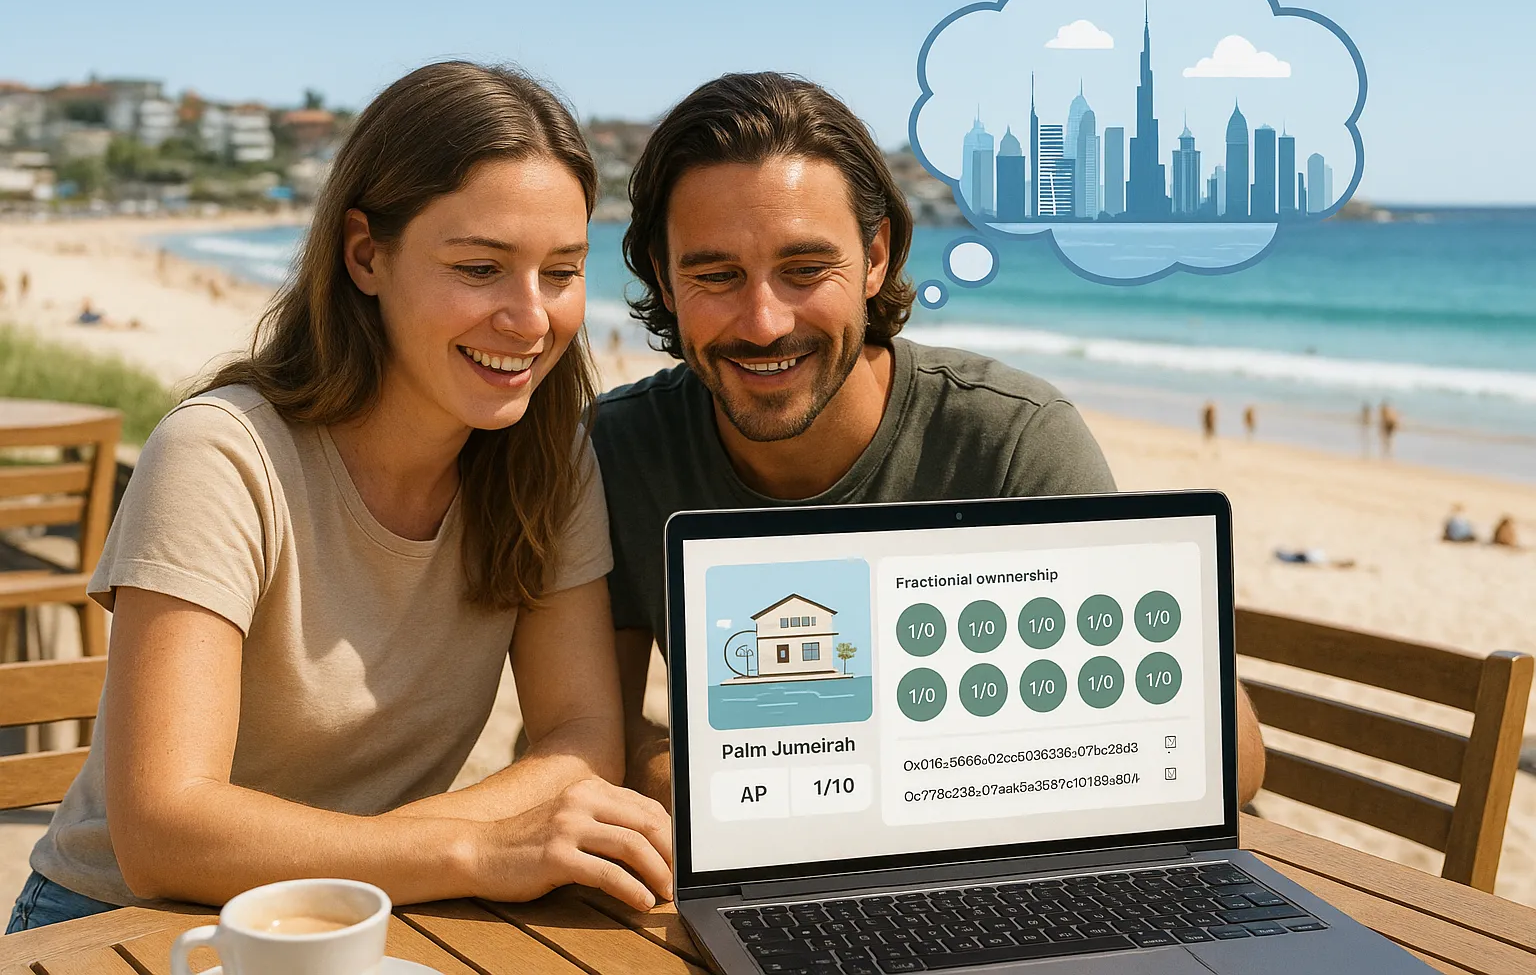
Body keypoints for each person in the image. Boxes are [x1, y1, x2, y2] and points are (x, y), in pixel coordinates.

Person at [9, 62, 670, 935]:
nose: (530, 318)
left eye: (561, 271)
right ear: (366, 255)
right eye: (479, 269)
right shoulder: (222, 455)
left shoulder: (547, 461)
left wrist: (366, 867)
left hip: (375, 917)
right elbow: (164, 830)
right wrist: (477, 850)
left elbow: (580, 741)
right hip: (120, 922)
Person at [590, 72, 1266, 810]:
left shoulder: (1011, 439)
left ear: (876, 257)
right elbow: (583, 735)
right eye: (717, 275)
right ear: (663, 274)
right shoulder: (621, 451)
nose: (764, 323)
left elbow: (1227, 757)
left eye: (806, 270)